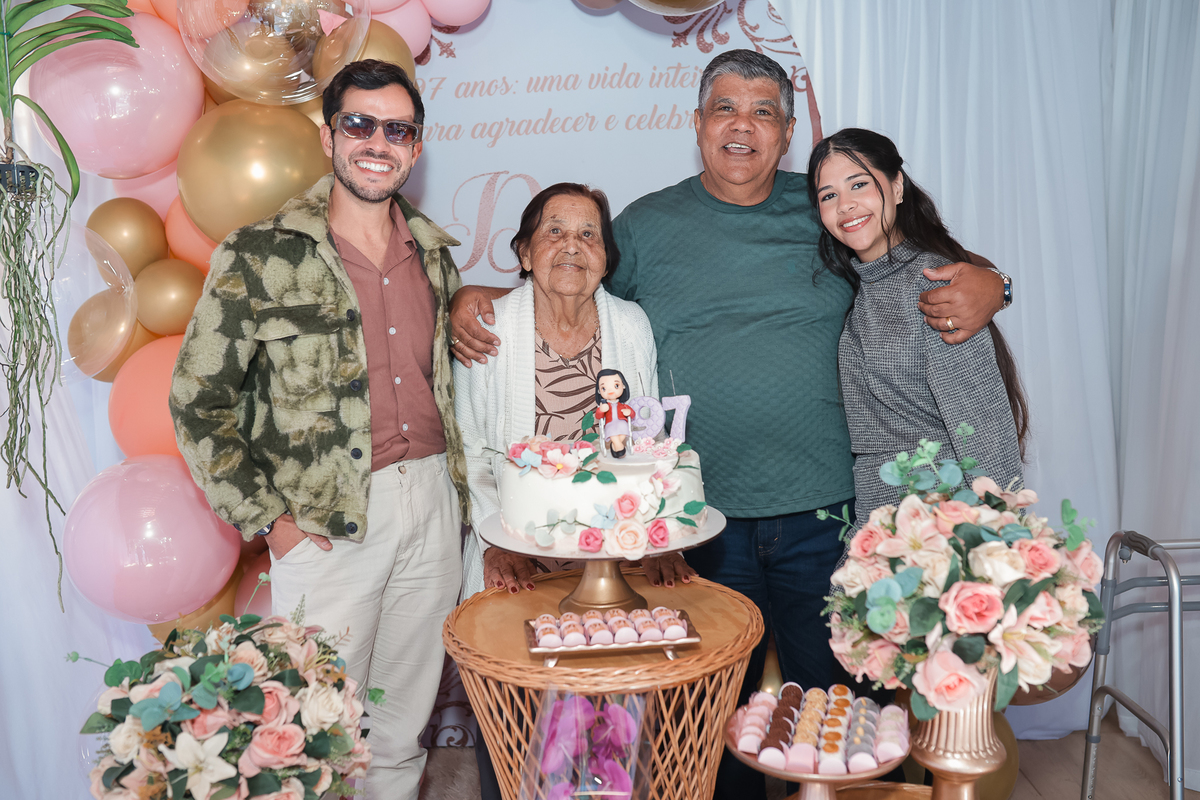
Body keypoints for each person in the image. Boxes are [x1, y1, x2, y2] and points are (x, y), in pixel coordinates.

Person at [449, 50, 1008, 800]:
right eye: (725, 108)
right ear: (698, 124)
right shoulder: (647, 224)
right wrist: (476, 297)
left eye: (763, 111)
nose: (742, 125)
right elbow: (570, 283)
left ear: (786, 133)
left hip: (830, 517)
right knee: (710, 727)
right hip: (698, 530)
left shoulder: (823, 208)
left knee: (846, 720)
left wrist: (996, 282)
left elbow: (911, 261)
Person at [169, 60, 466, 800]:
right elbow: (197, 401)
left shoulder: (434, 256)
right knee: (309, 733)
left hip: (431, 507)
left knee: (400, 729)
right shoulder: (260, 253)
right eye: (359, 123)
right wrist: (270, 522)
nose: (377, 142)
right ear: (329, 136)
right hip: (326, 523)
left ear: (416, 146)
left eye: (397, 129)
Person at [454, 182, 692, 599]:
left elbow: (649, 443)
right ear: (525, 254)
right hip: (518, 557)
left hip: (619, 554)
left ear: (605, 259)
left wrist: (659, 533)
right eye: (554, 231)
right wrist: (496, 543)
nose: (572, 245)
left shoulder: (632, 324)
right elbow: (471, 453)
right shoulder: (488, 329)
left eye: (588, 234)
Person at [808, 128, 1026, 519]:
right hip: (887, 522)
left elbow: (983, 432)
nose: (845, 205)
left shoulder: (932, 287)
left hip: (945, 523)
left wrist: (1005, 534)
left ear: (897, 187)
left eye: (859, 184)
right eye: (829, 195)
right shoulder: (867, 286)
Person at [595, 368, 635, 456]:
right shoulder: (604, 405)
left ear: (623, 386)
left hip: (621, 422)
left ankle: (615, 445)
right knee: (612, 430)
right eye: (604, 388)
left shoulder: (623, 405)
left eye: (616, 386)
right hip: (610, 423)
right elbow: (598, 416)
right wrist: (601, 410)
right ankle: (618, 445)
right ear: (599, 391)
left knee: (624, 429)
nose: (610, 391)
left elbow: (632, 414)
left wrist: (629, 412)